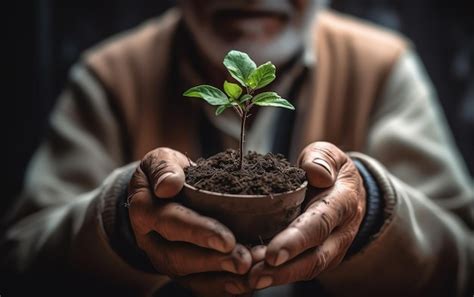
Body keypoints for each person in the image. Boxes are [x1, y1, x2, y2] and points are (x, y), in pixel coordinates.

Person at [1, 0, 473, 296]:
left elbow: (463, 261)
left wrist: (372, 214)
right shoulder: (110, 76)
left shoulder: (382, 66)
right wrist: (119, 226)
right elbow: (20, 263)